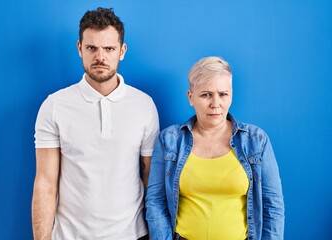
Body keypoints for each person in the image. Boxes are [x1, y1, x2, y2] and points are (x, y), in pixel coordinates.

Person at [32, 7, 159, 240]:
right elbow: (45, 183)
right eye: (92, 48)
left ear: (122, 51)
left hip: (132, 234)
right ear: (80, 48)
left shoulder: (144, 105)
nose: (100, 57)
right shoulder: (54, 106)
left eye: (109, 49)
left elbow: (151, 177)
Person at [146, 56, 284, 240]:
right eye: (206, 94)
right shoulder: (169, 140)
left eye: (223, 94)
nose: (215, 103)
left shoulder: (256, 141)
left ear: (231, 95)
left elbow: (272, 206)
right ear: (191, 97)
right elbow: (156, 201)